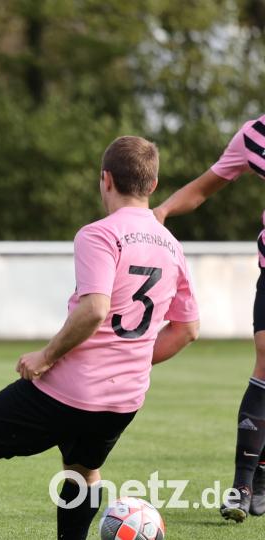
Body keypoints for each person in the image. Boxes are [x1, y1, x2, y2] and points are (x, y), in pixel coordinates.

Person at [0, 136, 200, 540]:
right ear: (153, 185)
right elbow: (187, 329)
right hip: (123, 399)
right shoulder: (173, 246)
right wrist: (131, 359)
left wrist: (47, 355)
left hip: (68, 390)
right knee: (84, 469)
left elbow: (94, 308)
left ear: (105, 179)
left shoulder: (100, 234)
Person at [153, 113, 265, 522]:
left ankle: (262, 474)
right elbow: (202, 189)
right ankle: (242, 487)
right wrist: (161, 211)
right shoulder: (254, 134)